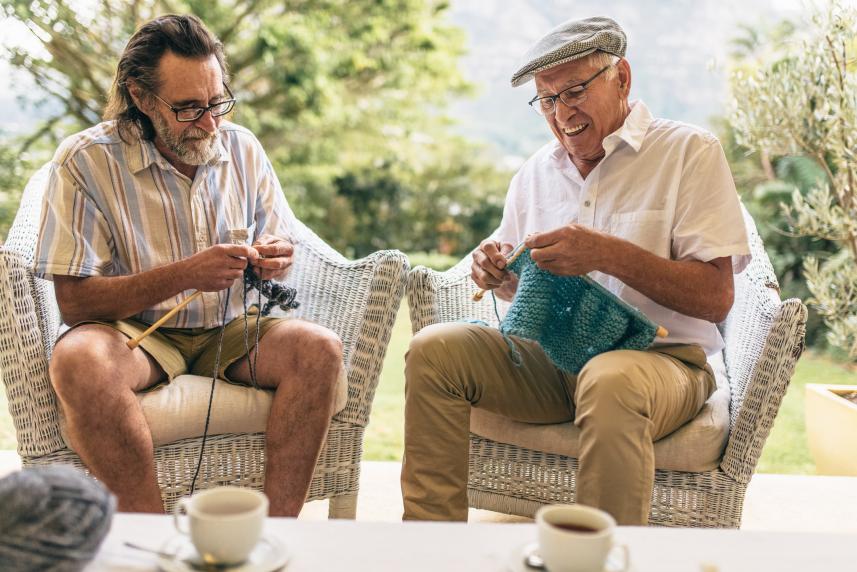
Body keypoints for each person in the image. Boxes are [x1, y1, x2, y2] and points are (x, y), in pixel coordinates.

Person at [401, 16, 751, 525]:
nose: (562, 112)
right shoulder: (534, 174)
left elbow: (717, 297)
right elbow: (525, 289)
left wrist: (607, 253)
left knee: (610, 380)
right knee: (433, 350)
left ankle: (597, 556)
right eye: (546, 99)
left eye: (575, 91)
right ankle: (429, 546)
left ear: (622, 78)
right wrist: (500, 275)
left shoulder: (688, 153)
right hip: (553, 360)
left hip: (663, 360)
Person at [33, 14, 344, 516]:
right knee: (79, 360)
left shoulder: (242, 147)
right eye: (189, 108)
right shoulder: (84, 161)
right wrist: (184, 274)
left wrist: (276, 255)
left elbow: (282, 238)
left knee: (320, 350)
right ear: (141, 97)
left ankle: (278, 533)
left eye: (217, 101)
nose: (210, 123)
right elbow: (75, 302)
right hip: (136, 337)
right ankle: (151, 533)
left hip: (236, 328)